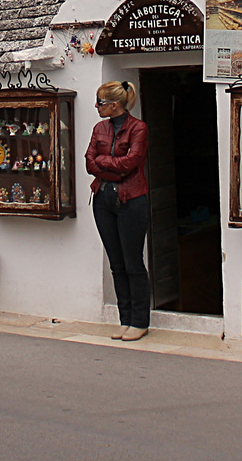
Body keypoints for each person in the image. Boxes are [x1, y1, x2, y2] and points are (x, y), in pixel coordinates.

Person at [85, 80, 150, 340]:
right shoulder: (99, 128)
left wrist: (104, 162)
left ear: (114, 104)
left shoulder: (139, 128)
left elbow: (131, 162)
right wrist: (109, 166)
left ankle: (140, 321)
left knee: (133, 262)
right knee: (116, 263)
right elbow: (90, 163)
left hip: (131, 199)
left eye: (100, 103)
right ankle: (126, 319)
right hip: (103, 199)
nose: (97, 107)